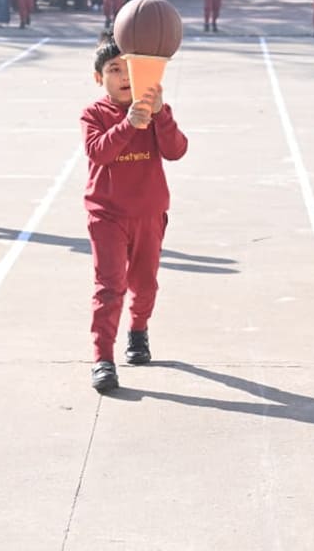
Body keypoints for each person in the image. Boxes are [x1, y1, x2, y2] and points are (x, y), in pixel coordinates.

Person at [80, 33, 188, 392]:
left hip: (149, 213)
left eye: (129, 68)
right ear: (99, 78)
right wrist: (129, 124)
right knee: (109, 287)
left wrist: (160, 115)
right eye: (114, 69)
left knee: (144, 284)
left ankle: (138, 330)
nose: (124, 76)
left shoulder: (154, 110)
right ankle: (103, 359)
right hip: (107, 215)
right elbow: (98, 152)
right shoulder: (93, 114)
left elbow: (177, 151)